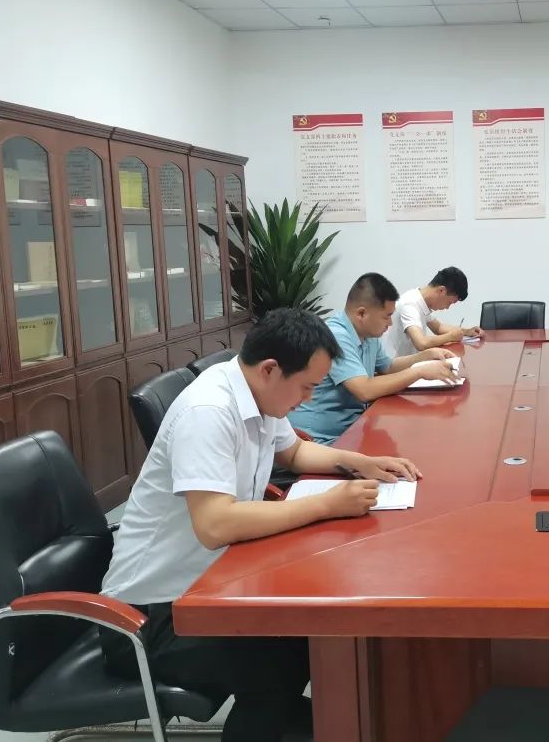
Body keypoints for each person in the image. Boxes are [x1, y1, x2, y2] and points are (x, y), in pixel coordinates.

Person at [99, 307, 423, 742]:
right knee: (287, 653)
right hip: (148, 618)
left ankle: (320, 722)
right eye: (307, 386)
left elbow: (294, 453)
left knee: (307, 639)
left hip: (210, 586)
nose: (308, 399)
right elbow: (215, 524)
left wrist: (359, 462)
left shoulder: (257, 393)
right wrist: (327, 504)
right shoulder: (209, 410)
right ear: (270, 369)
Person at [289, 272, 460, 444]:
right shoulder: (336, 336)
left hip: (354, 426)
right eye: (386, 316)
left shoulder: (368, 335)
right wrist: (419, 372)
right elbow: (364, 390)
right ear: (362, 314)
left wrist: (426, 356)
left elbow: (388, 367)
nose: (390, 323)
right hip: (322, 439)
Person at [382, 266, 483, 358]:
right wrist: (451, 337)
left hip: (409, 361)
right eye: (450, 303)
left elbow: (438, 328)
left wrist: (466, 331)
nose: (447, 308)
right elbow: (421, 343)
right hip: (393, 366)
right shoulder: (410, 305)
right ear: (441, 290)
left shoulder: (421, 299)